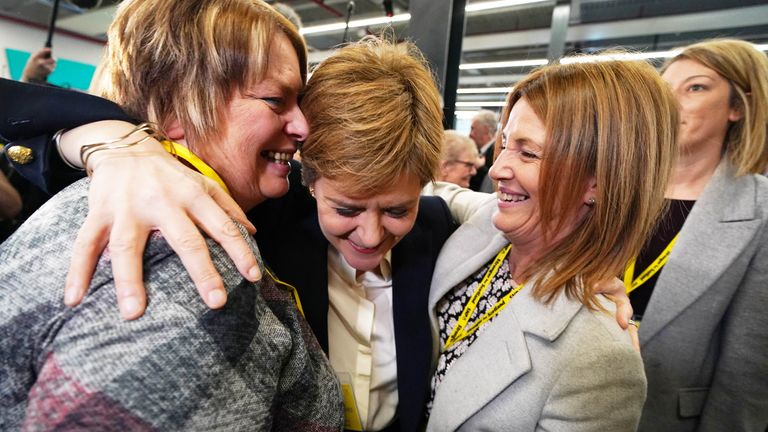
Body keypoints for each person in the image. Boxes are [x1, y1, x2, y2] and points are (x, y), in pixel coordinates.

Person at [0, 0, 344, 429]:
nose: (303, 127)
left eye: (300, 100)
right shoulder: (190, 261)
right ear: (174, 108)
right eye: (275, 99)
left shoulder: (96, 194)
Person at [425, 58, 678, 431]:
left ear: (598, 181)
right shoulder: (491, 226)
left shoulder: (598, 357)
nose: (495, 170)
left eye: (528, 153)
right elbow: (429, 191)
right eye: (506, 144)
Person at [630, 39, 768, 432]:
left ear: (738, 107)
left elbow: (746, 371)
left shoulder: (760, 211)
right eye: (664, 89)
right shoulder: (616, 185)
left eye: (696, 87)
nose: (671, 102)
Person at [467, 109, 498, 192]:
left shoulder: (497, 153)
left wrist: (480, 167)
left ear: (486, 130)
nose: (470, 134)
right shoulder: (480, 152)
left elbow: (494, 182)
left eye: (473, 129)